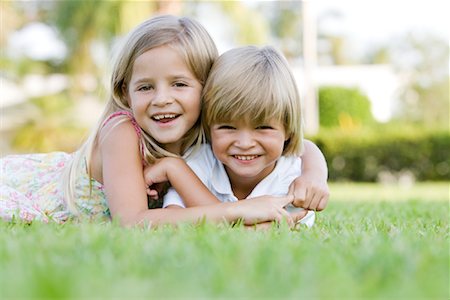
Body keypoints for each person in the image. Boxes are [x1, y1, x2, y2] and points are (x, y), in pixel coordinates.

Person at [0, 15, 327, 227]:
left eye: (179, 84)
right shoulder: (121, 131)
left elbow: (300, 146)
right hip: (27, 188)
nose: (162, 99)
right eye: (145, 87)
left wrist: (314, 177)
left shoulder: (213, 131)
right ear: (125, 92)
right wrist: (238, 211)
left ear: (207, 91)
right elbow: (132, 223)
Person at [145, 46, 322, 228]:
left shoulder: (294, 180)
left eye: (263, 127)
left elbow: (276, 228)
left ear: (288, 130)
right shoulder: (200, 162)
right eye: (228, 127)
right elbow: (170, 218)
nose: (245, 144)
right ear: (208, 127)